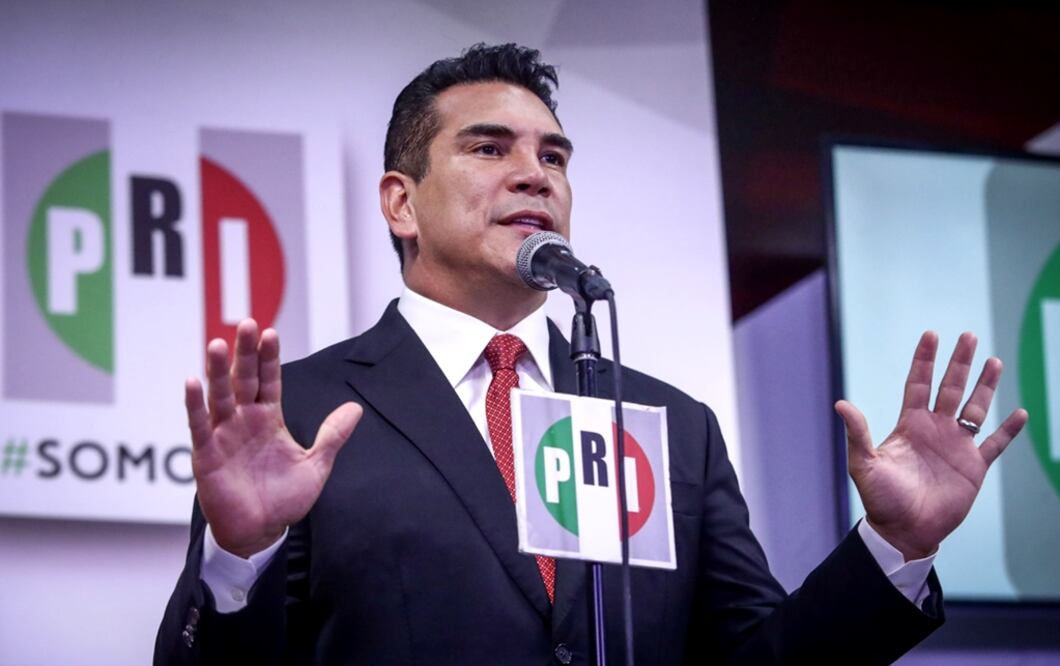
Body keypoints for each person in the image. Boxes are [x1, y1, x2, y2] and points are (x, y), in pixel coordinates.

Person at [155, 43, 1028, 665]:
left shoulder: (669, 426)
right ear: (401, 203)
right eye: (488, 148)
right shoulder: (300, 413)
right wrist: (239, 559)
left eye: (554, 157)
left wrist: (894, 545)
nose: (535, 175)